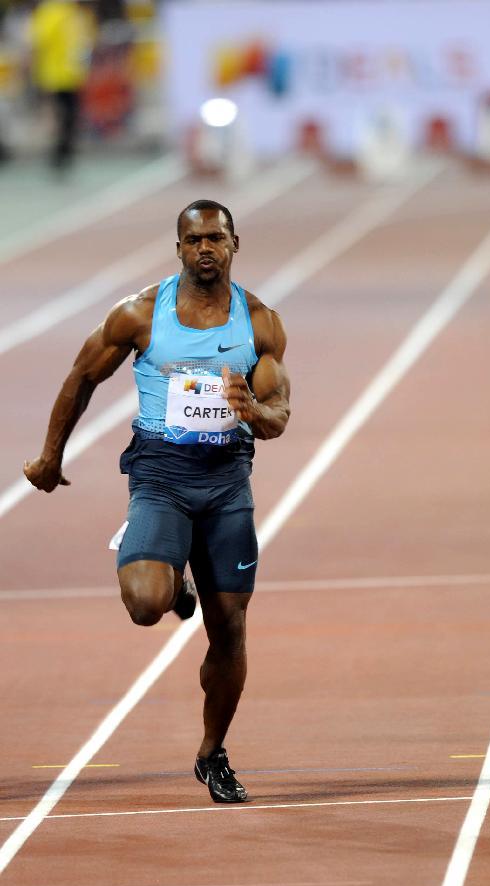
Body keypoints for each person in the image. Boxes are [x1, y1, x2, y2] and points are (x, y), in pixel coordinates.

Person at [24, 200, 290, 803]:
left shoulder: (261, 324)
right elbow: (82, 375)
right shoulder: (140, 314)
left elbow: (280, 413)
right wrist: (50, 456)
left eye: (215, 239)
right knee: (147, 604)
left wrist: (257, 413)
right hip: (161, 476)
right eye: (193, 239)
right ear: (177, 248)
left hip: (226, 484)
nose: (204, 249)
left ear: (234, 245)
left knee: (229, 632)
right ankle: (174, 582)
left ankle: (211, 752)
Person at [28, 0, 93, 170]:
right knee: (61, 116)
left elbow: (84, 44)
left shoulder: (74, 12)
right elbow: (38, 43)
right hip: (55, 75)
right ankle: (59, 153)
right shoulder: (55, 11)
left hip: (69, 75)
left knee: (67, 116)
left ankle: (62, 153)